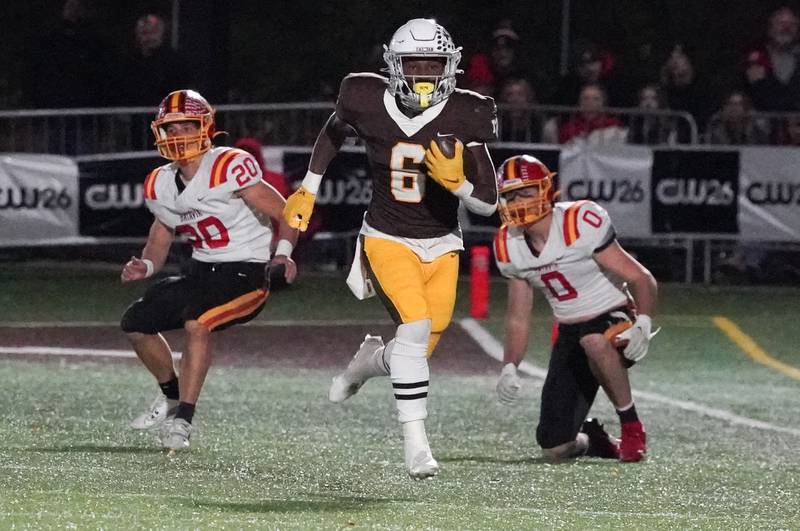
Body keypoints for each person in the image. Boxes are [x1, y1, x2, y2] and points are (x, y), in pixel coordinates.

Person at [282, 18, 498, 479]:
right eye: (413, 62)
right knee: (416, 328)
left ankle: (365, 363)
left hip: (443, 244)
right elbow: (334, 131)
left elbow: (489, 202)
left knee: (415, 350)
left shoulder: (467, 112)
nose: (423, 73)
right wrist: (309, 186)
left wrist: (457, 184)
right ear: (393, 65)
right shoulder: (363, 95)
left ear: (451, 66)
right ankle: (417, 446)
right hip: (386, 237)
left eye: (433, 63)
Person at [120, 89, 298, 451]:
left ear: (205, 127)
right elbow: (162, 230)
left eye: (187, 125)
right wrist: (148, 263)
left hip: (246, 273)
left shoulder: (229, 164)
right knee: (136, 322)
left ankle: (183, 420)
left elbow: (289, 211)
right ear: (160, 133)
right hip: (201, 271)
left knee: (197, 324)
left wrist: (283, 254)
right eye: (171, 128)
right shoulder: (160, 181)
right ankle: (171, 397)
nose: (179, 135)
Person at [492, 154, 658, 462]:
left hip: (613, 314)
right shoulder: (508, 244)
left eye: (525, 192)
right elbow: (518, 317)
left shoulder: (578, 221)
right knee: (554, 446)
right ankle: (594, 440)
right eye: (510, 195)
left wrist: (643, 323)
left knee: (594, 339)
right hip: (570, 328)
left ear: (545, 189)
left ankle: (632, 427)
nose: (518, 202)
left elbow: (640, 277)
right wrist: (509, 365)